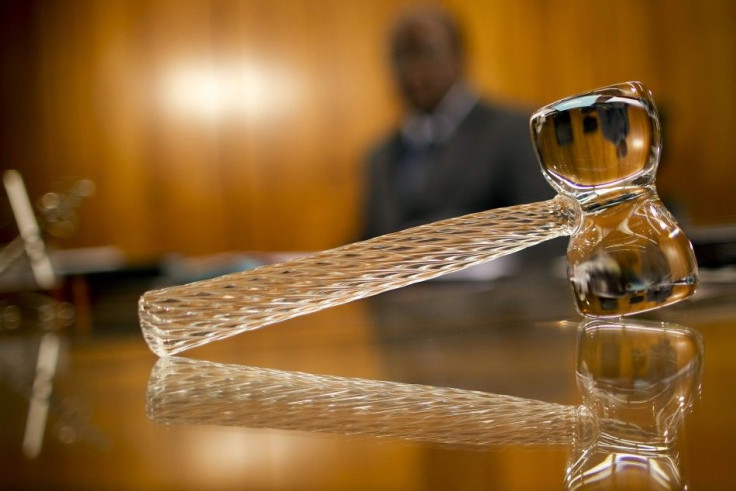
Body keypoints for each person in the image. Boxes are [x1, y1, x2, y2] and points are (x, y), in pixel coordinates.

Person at [362, 6, 555, 240]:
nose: (412, 71)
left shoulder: (514, 132)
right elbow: (368, 241)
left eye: (426, 52)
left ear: (459, 55)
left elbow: (545, 234)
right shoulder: (380, 157)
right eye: (401, 58)